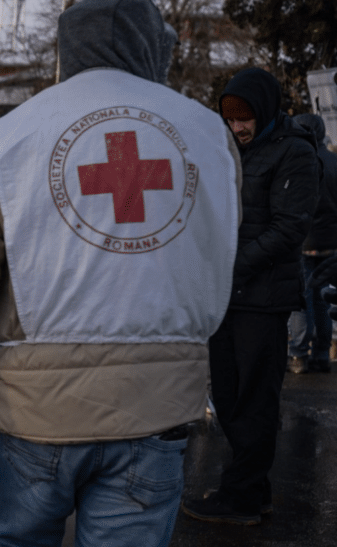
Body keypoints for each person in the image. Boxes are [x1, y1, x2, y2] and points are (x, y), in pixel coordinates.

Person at [0, 0, 242, 544]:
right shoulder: (210, 136)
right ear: (155, 44)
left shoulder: (7, 142)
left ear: (68, 45)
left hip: (34, 416)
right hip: (155, 408)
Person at [182, 67, 319, 526]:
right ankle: (250, 489)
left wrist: (227, 264)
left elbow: (288, 229)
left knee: (254, 400)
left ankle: (240, 496)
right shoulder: (232, 153)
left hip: (264, 298)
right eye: (230, 117)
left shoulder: (295, 153)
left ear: (264, 110)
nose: (237, 127)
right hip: (230, 295)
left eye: (245, 118)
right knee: (228, 393)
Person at [287, 113, 337, 374]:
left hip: (302, 242)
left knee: (300, 301)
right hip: (330, 243)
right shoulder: (333, 162)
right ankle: (321, 355)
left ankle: (298, 355)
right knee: (323, 300)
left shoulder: (294, 163)